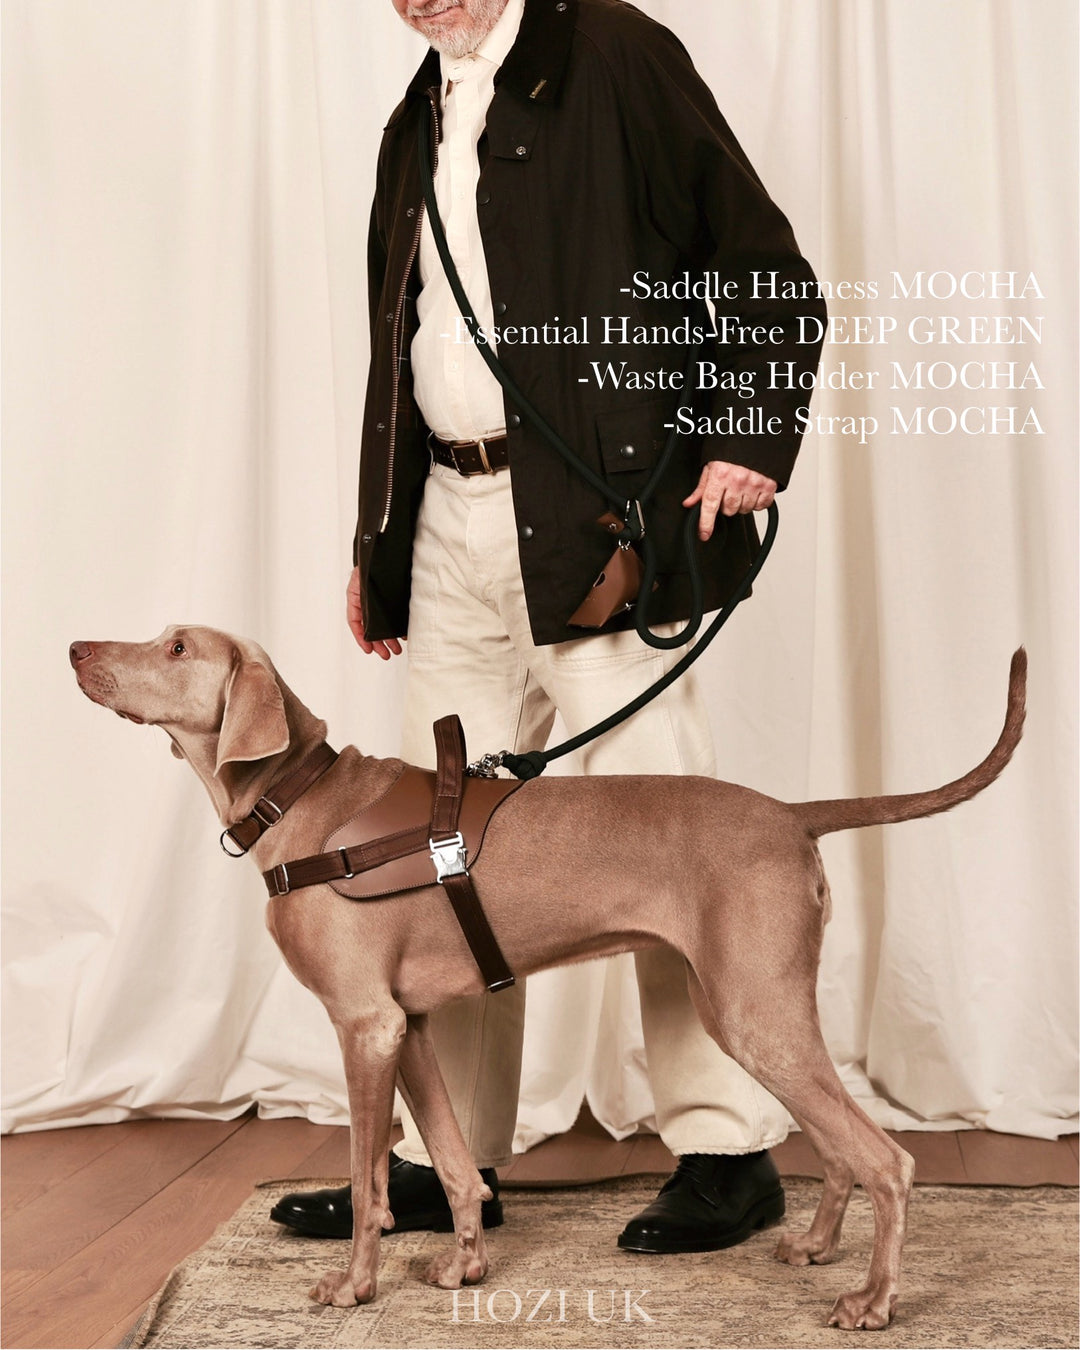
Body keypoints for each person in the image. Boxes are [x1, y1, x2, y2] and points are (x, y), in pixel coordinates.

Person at [272, 0, 826, 1253]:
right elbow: (404, 341)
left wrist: (749, 429)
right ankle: (447, 1158)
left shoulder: (617, 51)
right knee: (434, 849)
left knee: (668, 841)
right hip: (446, 528)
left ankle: (726, 1151)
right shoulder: (415, 111)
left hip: (596, 529)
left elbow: (763, 265)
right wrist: (379, 541)